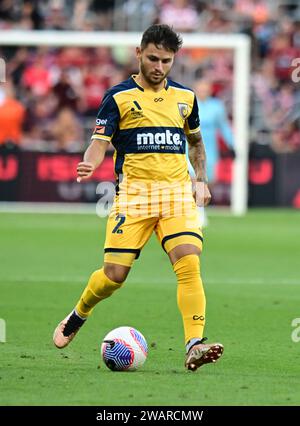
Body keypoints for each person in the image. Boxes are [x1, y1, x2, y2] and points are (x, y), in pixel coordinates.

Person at [53, 24, 224, 371]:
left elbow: (195, 143)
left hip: (176, 193)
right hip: (135, 196)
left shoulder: (186, 98)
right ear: (139, 53)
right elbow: (100, 142)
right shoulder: (118, 97)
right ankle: (80, 311)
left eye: (166, 60)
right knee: (114, 275)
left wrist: (201, 180)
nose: (159, 66)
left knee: (189, 261)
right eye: (153, 58)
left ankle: (194, 344)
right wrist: (89, 162)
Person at [186, 78, 234, 225]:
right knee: (195, 179)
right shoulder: (188, 104)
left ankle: (199, 208)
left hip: (210, 150)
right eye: (200, 88)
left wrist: (232, 144)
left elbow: (224, 126)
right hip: (190, 148)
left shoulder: (216, 106)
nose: (203, 91)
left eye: (205, 88)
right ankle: (198, 213)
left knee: (208, 181)